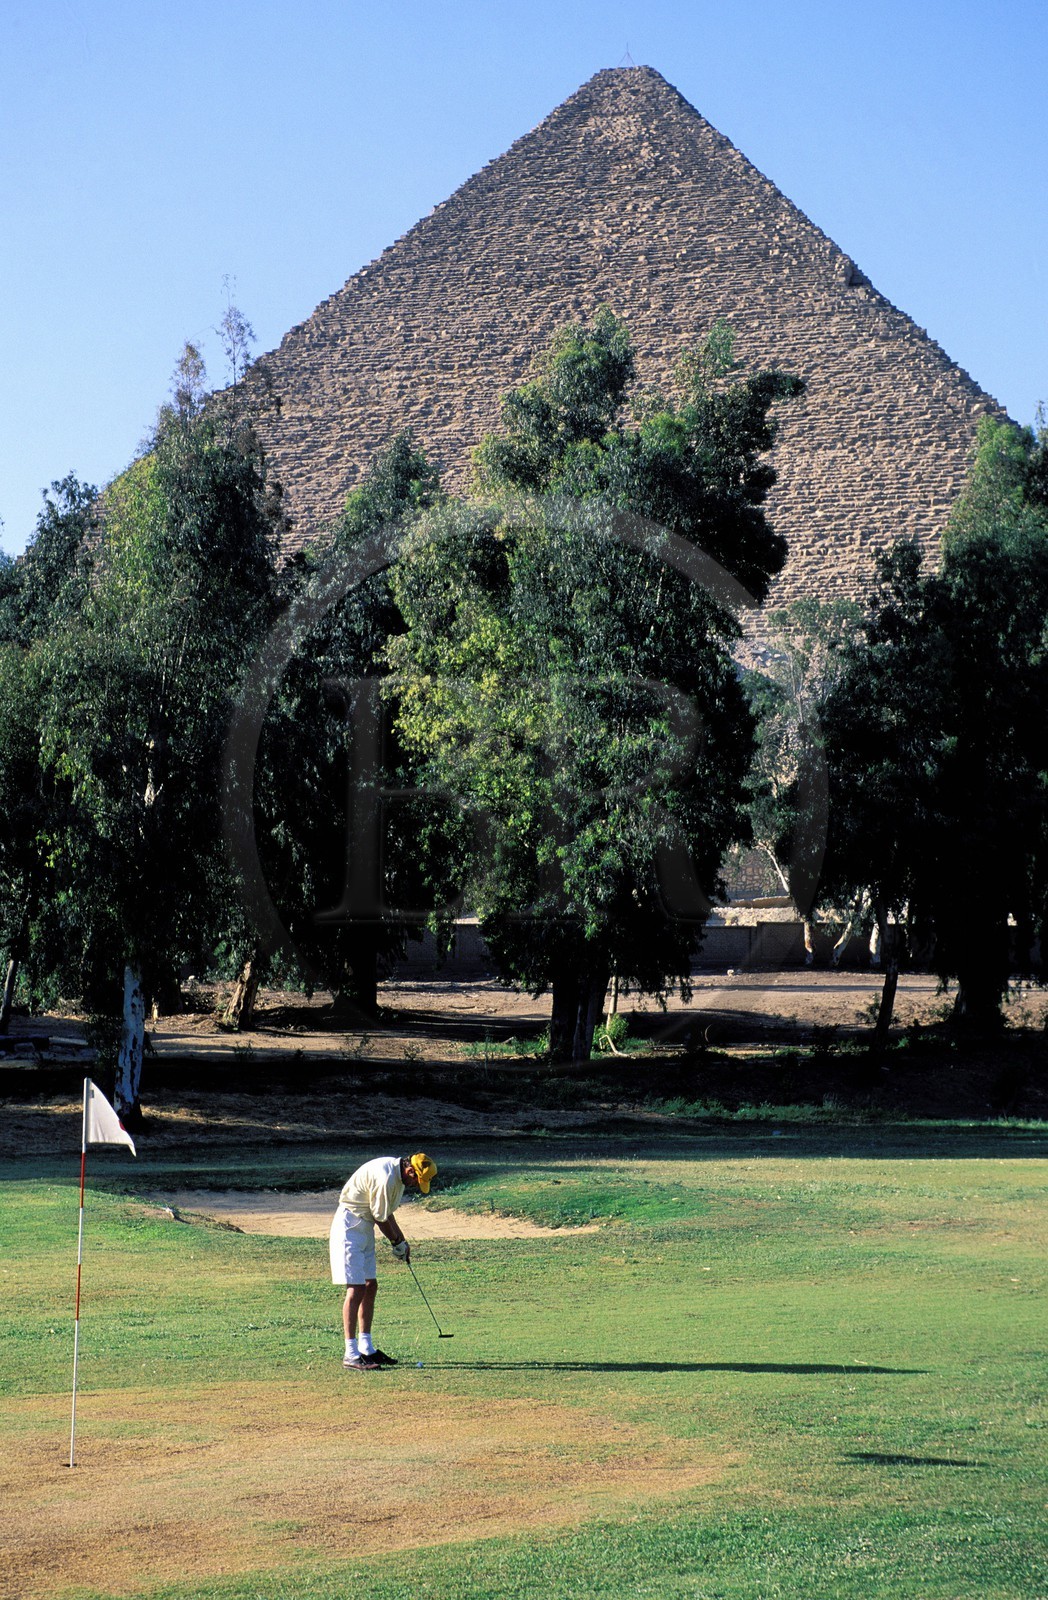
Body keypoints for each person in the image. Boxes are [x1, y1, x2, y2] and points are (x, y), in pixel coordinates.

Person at [329, 1151, 437, 1371]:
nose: (417, 1185)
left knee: (370, 1285)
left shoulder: (398, 1179)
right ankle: (350, 1353)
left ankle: (366, 1348)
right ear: (410, 1171)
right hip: (349, 1227)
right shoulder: (385, 1176)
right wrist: (396, 1241)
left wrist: (402, 1241)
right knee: (356, 1288)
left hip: (364, 1227)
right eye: (417, 1180)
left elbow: (386, 1214)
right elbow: (381, 1218)